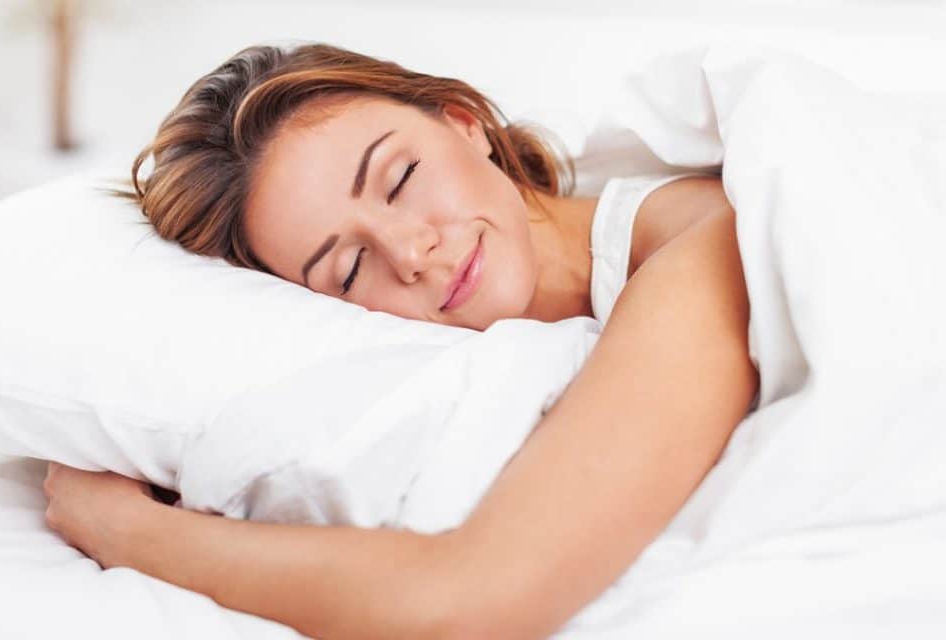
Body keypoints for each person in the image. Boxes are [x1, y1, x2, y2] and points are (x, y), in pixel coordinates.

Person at [43, 43, 759, 639]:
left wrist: (122, 532)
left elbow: (470, 600)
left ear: (464, 122)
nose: (409, 251)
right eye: (349, 268)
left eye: (401, 177)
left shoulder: (696, 249)